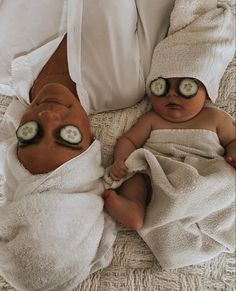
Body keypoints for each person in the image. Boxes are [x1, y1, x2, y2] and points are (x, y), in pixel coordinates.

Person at [0, 0, 235, 288]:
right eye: (68, 136)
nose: (48, 116)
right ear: (91, 141)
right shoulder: (124, 84)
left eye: (30, 134)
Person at [102, 76, 236, 230]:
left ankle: (207, 214)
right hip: (157, 176)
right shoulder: (151, 119)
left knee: (227, 178)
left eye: (186, 87)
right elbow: (129, 140)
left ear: (206, 93)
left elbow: (233, 140)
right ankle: (134, 208)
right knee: (135, 176)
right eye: (162, 87)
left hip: (203, 175)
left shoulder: (215, 117)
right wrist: (120, 160)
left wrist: (233, 153)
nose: (171, 94)